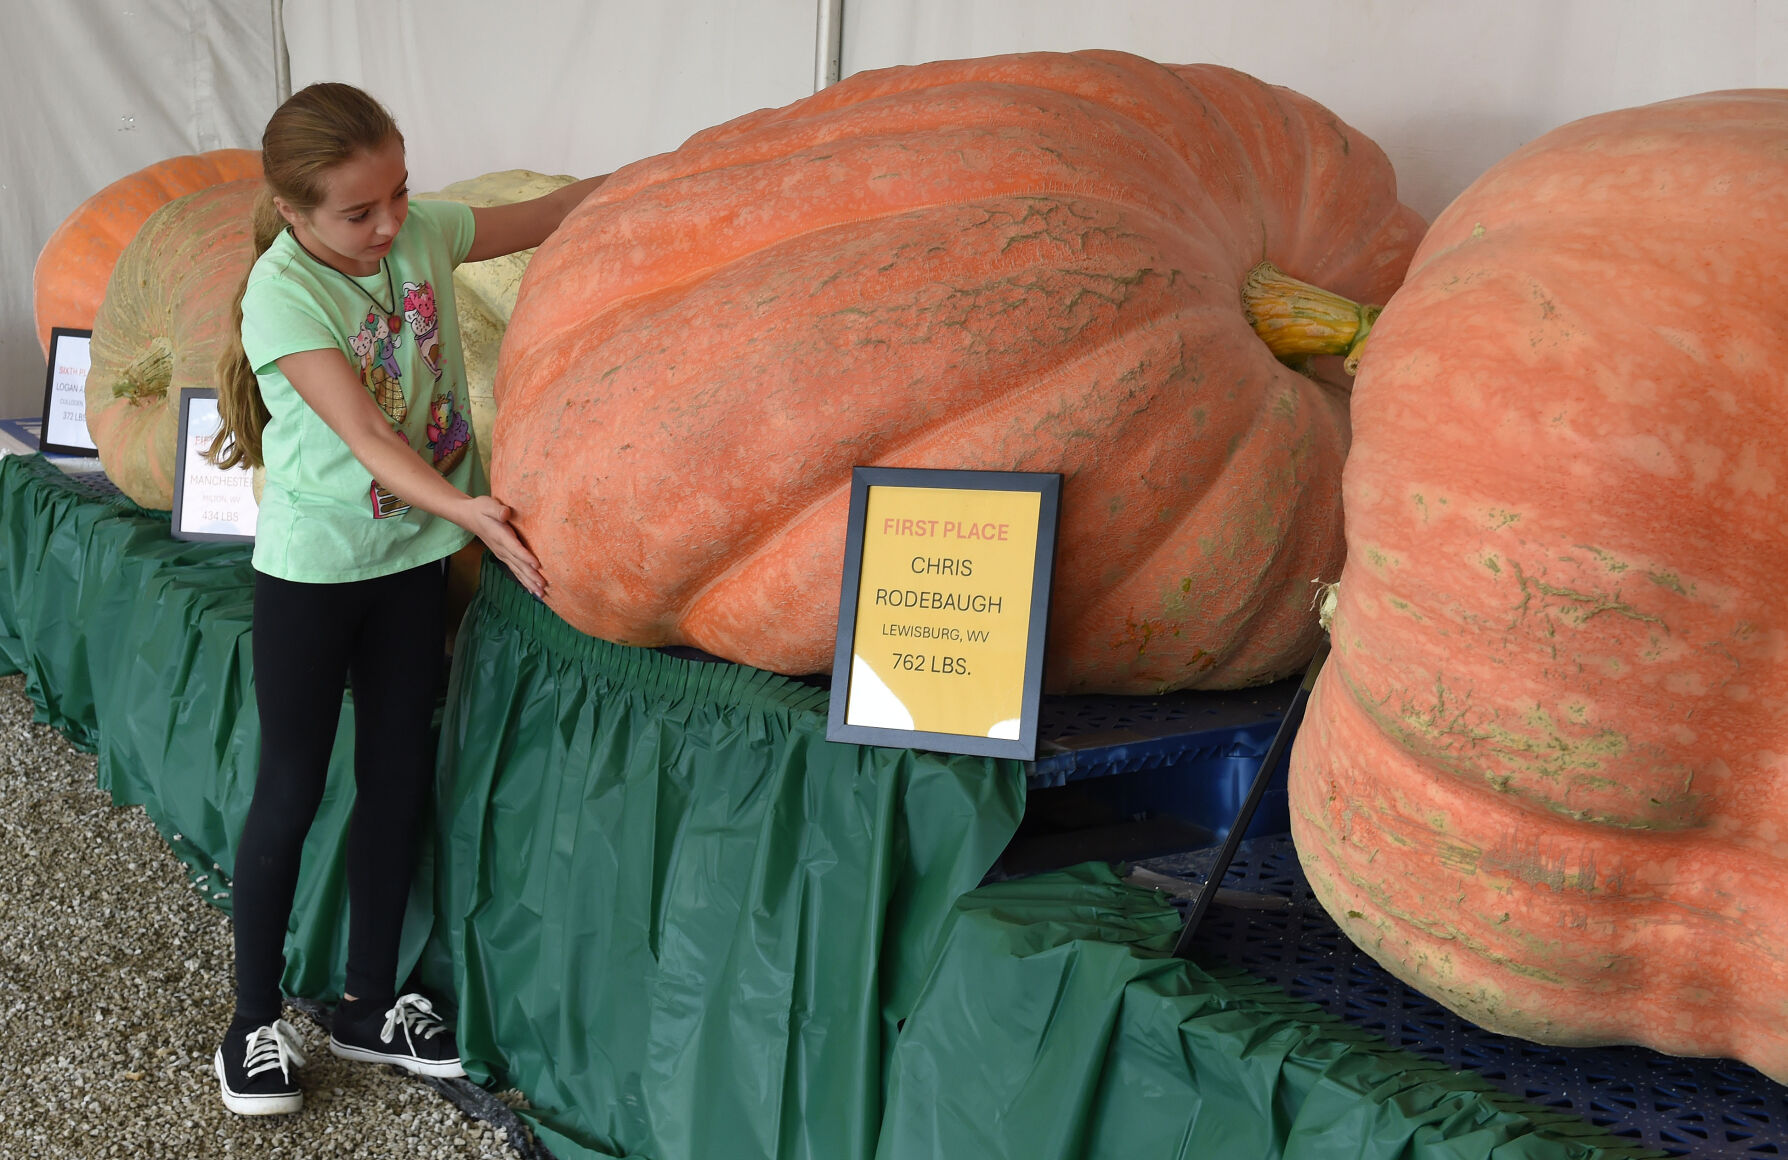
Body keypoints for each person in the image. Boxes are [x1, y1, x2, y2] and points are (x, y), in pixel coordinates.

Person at [204, 81, 603, 1116]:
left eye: (400, 195)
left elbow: (558, 212)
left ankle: (369, 1003)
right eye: (359, 211)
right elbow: (371, 441)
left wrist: (676, 172)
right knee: (290, 789)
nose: (391, 224)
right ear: (293, 212)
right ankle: (249, 1023)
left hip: (410, 564)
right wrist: (472, 513)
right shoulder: (283, 293)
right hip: (315, 572)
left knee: (397, 776)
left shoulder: (419, 232)